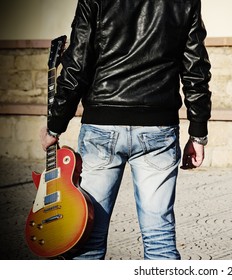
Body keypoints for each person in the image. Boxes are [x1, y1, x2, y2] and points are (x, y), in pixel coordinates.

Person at [40, 0, 211, 260]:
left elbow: (77, 63)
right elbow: (195, 67)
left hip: (102, 125)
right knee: (160, 239)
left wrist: (55, 125)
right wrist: (197, 133)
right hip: (158, 127)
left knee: (88, 237)